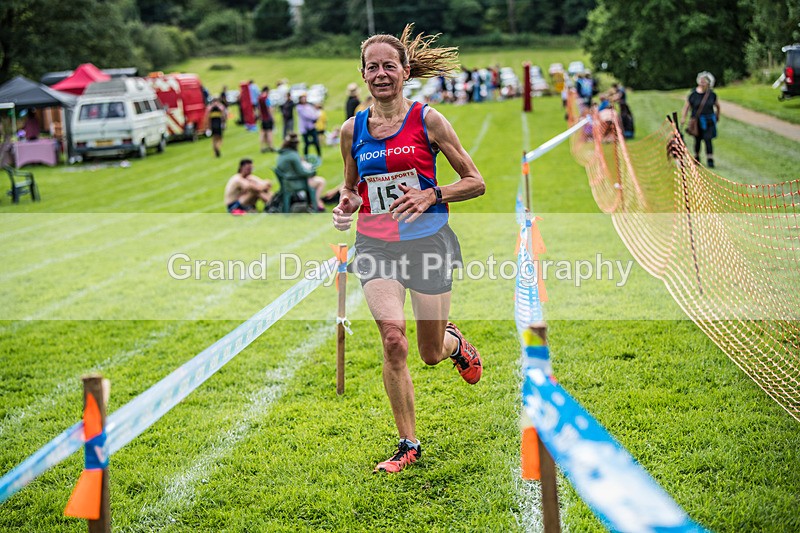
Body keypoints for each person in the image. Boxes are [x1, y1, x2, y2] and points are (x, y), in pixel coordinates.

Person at [332, 24, 485, 474]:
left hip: (428, 243)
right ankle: (407, 443)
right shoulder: (351, 129)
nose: (381, 73)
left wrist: (432, 194)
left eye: (389, 66)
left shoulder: (428, 120)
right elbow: (351, 189)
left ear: (405, 71)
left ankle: (454, 345)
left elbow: (476, 182)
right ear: (363, 74)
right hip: (376, 245)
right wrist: (346, 205)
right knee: (393, 339)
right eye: (373, 66)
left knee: (429, 351)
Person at [275, 132, 326, 212]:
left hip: (286, 181)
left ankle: (315, 203)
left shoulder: (282, 154)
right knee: (321, 181)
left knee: (315, 180)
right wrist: (312, 173)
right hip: (294, 183)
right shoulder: (293, 155)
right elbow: (301, 172)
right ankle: (316, 204)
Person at [681, 71, 721, 168]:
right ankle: (697, 157)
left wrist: (717, 116)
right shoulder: (693, 94)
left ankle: (710, 159)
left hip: (709, 120)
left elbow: (717, 106)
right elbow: (687, 106)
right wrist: (683, 118)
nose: (703, 83)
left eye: (705, 81)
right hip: (697, 121)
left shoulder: (712, 95)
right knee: (697, 140)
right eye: (701, 81)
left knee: (708, 139)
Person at [296, 93, 321, 157]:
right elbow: (306, 115)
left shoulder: (309, 106)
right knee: (306, 144)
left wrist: (315, 117)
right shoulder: (299, 107)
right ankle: (306, 156)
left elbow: (314, 112)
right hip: (305, 128)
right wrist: (314, 118)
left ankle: (319, 155)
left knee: (316, 142)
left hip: (312, 126)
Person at [258, 86, 275, 153]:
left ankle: (262, 147)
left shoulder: (259, 98)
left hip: (262, 118)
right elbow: (269, 108)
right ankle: (271, 146)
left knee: (262, 133)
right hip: (267, 118)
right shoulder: (266, 99)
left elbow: (258, 109)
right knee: (269, 132)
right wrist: (273, 117)